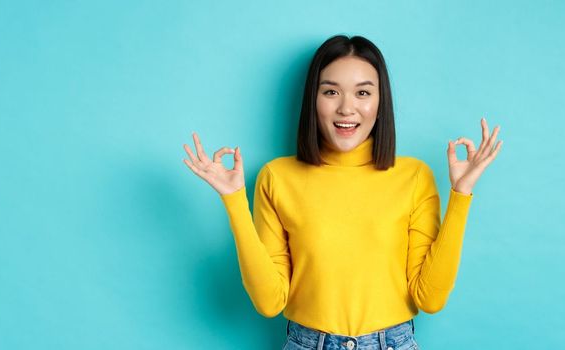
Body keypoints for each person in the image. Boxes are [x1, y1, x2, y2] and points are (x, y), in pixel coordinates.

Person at [182, 35, 502, 350]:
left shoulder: (414, 177)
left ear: (380, 103)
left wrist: (461, 194)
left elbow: (430, 298)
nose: (347, 108)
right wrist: (234, 200)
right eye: (331, 91)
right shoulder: (277, 177)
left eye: (363, 92)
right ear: (314, 100)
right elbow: (269, 303)